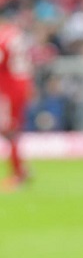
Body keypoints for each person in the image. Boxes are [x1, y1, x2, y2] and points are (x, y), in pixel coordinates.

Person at [0, 14, 34, 192]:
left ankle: (18, 173)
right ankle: (21, 169)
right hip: (21, 85)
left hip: (9, 88)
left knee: (9, 130)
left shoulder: (3, 38)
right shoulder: (17, 35)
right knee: (11, 129)